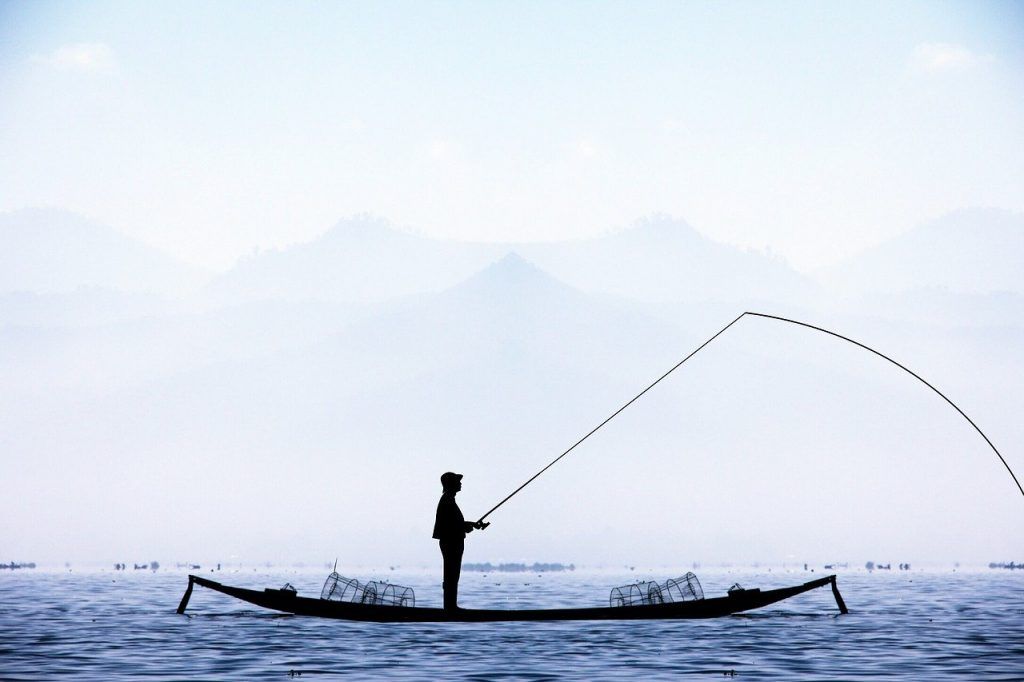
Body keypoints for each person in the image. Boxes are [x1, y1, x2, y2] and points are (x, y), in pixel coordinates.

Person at [432, 471, 489, 611]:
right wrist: (467, 526)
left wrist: (472, 525)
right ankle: (450, 607)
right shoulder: (447, 500)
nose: (460, 483)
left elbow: (456, 523)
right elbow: (452, 525)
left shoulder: (449, 499)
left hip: (452, 541)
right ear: (451, 484)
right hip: (451, 542)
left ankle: (450, 606)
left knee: (453, 574)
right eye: (458, 481)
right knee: (451, 574)